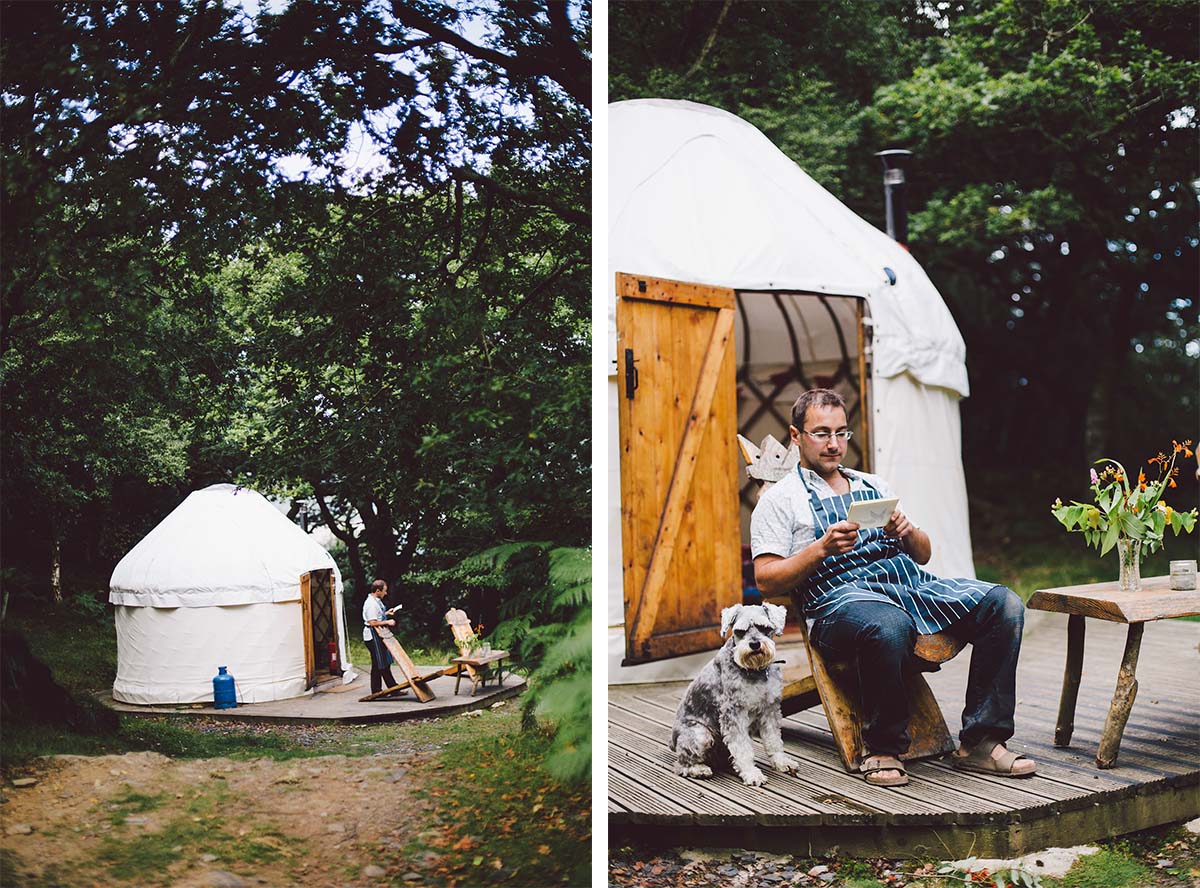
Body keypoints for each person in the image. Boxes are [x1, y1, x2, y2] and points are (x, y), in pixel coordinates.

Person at [751, 388, 1035, 787]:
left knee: (1003, 604)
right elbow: (765, 579)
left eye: (841, 433)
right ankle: (884, 746)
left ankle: (982, 741)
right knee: (888, 623)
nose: (834, 444)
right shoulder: (781, 500)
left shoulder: (873, 484)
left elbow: (924, 555)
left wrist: (908, 532)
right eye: (822, 433)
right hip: (838, 604)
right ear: (796, 435)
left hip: (909, 587)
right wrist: (820, 549)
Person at [362, 578, 399, 694]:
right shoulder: (371, 604)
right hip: (372, 637)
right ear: (378, 591)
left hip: (378, 635)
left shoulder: (376, 601)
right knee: (378, 663)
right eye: (384, 591)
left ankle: (393, 688)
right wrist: (388, 622)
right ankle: (377, 690)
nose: (386, 593)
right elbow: (372, 622)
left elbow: (377, 616)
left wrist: (386, 613)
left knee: (383, 662)